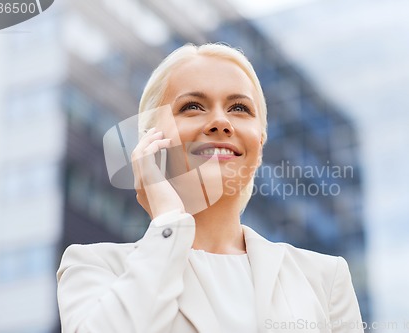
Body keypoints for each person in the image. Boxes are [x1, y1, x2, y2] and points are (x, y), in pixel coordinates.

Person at [57, 43, 364, 333]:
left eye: (239, 109)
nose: (220, 122)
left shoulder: (324, 278)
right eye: (193, 106)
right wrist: (167, 222)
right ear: (152, 141)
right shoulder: (96, 266)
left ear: (259, 141)